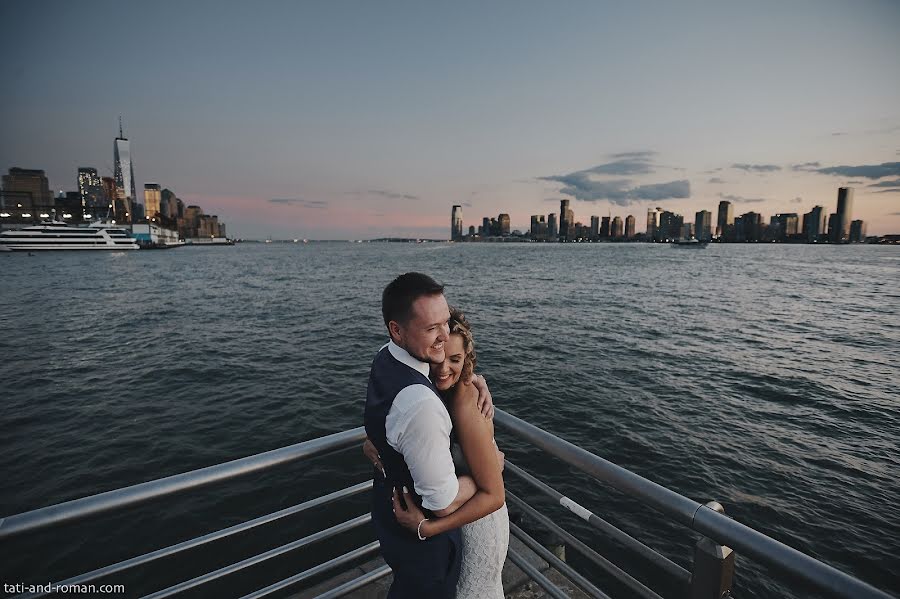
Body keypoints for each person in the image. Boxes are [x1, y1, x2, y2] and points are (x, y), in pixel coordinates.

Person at [364, 273, 504, 599]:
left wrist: (427, 527)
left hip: (464, 517)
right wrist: (377, 442)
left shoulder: (390, 359)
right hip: (430, 525)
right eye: (432, 329)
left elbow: (491, 495)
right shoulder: (421, 394)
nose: (442, 345)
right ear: (396, 332)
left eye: (445, 325)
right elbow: (408, 417)